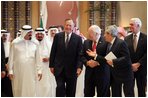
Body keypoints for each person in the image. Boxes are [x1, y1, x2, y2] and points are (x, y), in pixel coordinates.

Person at [87, 25, 134, 97]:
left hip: (125, 75)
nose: (104, 36)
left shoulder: (121, 43)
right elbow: (107, 59)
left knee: (128, 94)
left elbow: (126, 58)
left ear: (110, 34)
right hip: (114, 74)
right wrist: (95, 56)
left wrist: (114, 61)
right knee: (115, 94)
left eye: (106, 34)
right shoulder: (109, 44)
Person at [49, 18, 83, 97]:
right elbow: (53, 51)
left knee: (70, 92)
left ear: (73, 27)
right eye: (67, 25)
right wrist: (51, 65)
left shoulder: (78, 39)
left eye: (70, 25)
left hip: (72, 70)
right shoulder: (57, 36)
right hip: (59, 69)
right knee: (60, 88)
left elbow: (80, 55)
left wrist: (79, 67)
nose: (68, 27)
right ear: (64, 25)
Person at [8, 25, 42, 97]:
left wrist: (39, 70)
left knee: (31, 89)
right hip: (18, 71)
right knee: (18, 89)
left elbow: (38, 58)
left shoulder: (35, 43)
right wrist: (10, 70)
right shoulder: (15, 43)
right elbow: (11, 58)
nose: (30, 34)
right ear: (24, 32)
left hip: (31, 71)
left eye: (31, 32)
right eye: (28, 32)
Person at [81, 25, 110, 97]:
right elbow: (81, 55)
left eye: (90, 33)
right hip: (89, 74)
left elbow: (109, 57)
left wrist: (97, 62)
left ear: (97, 34)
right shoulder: (86, 42)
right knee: (88, 94)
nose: (88, 35)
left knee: (103, 95)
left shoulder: (106, 41)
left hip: (102, 74)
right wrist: (87, 62)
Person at [125, 18, 147, 97]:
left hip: (141, 69)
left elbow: (147, 54)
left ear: (138, 25)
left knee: (141, 91)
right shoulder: (126, 38)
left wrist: (138, 64)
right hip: (129, 68)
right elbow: (125, 53)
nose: (130, 26)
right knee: (129, 91)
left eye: (131, 24)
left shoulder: (145, 38)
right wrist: (131, 64)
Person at [35, 27, 56, 97]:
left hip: (47, 70)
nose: (40, 35)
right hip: (35, 70)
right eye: (38, 34)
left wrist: (49, 59)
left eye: (41, 34)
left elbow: (56, 56)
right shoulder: (32, 44)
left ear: (44, 35)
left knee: (47, 87)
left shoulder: (49, 44)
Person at [1, 30, 13, 97]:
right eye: (3, 36)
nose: (4, 37)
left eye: (6, 36)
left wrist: (8, 65)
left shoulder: (11, 45)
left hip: (8, 67)